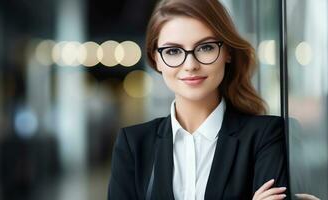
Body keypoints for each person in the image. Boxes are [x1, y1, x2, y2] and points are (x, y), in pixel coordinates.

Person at [108, 0, 290, 199]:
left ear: (227, 52)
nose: (190, 65)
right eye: (173, 51)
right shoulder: (134, 144)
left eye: (205, 48)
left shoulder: (266, 136)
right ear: (156, 59)